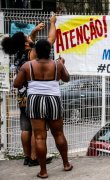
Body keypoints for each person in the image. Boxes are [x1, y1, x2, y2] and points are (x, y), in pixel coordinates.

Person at [1, 15, 56, 166]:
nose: (29, 36)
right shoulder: (32, 53)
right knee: (37, 128)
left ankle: (26, 157)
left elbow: (30, 40)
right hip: (33, 96)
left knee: (25, 127)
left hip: (21, 96)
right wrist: (52, 23)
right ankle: (34, 157)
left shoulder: (19, 54)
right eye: (26, 36)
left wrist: (34, 31)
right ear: (26, 43)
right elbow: (50, 40)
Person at [13, 39, 72, 179]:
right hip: (53, 100)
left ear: (37, 51)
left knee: (39, 137)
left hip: (35, 101)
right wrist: (62, 65)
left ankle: (43, 172)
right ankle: (66, 164)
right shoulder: (57, 65)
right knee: (58, 134)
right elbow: (67, 79)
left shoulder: (28, 66)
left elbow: (16, 84)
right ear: (49, 51)